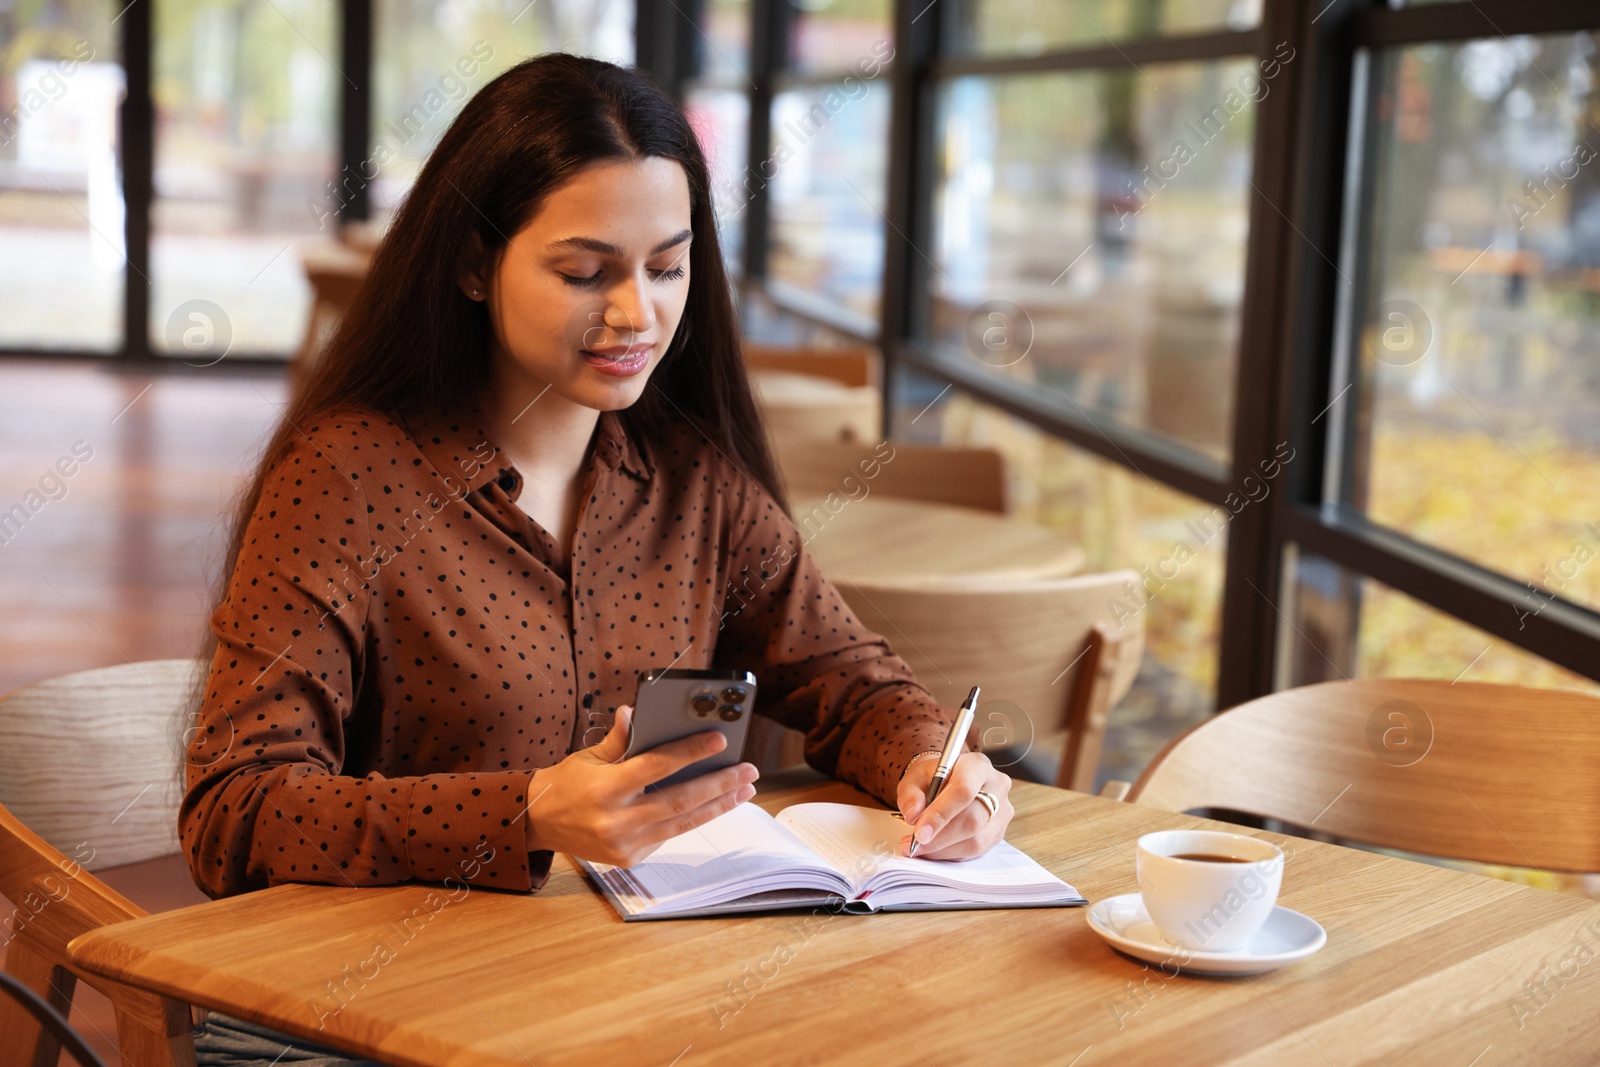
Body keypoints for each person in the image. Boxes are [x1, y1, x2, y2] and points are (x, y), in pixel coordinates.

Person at [181, 55, 1014, 1031]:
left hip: (620, 1004)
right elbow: (232, 810)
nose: (638, 313)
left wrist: (934, 760)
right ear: (471, 263)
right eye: (585, 272)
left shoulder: (692, 482)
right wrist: (526, 809)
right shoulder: (348, 478)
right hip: (370, 1013)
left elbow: (854, 684)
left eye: (667, 266)